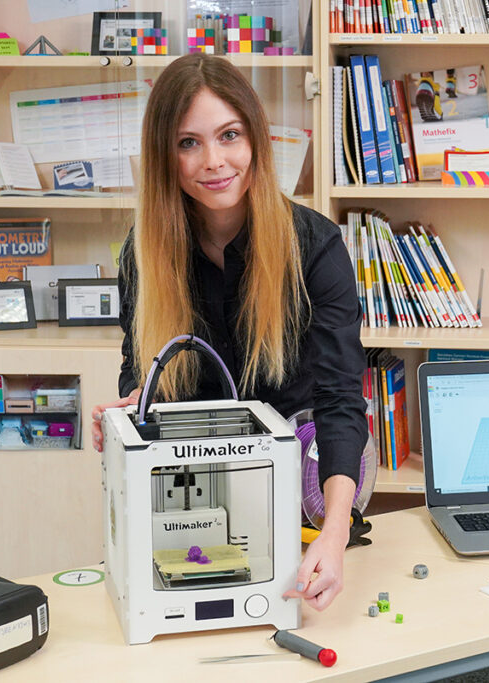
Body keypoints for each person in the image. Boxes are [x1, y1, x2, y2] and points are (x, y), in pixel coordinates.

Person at [90, 53, 367, 612]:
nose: (213, 161)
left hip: (297, 497)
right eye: (188, 142)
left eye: (229, 135)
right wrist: (127, 410)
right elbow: (140, 369)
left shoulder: (315, 249)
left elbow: (340, 403)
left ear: (256, 139)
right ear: (164, 157)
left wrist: (334, 537)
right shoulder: (141, 253)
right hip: (186, 505)